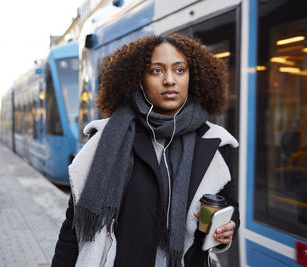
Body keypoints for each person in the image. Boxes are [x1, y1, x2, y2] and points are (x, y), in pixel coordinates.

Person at [51, 34, 239, 267]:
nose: (170, 80)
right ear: (139, 79)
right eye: (156, 71)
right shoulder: (106, 140)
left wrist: (224, 231)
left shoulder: (216, 143)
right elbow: (73, 231)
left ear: (193, 77)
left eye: (180, 70)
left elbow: (230, 208)